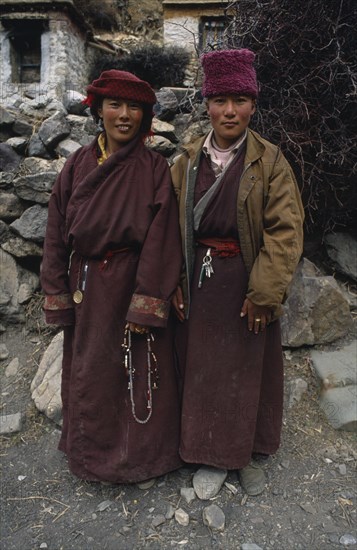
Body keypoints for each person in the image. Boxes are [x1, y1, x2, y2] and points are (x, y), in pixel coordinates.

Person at [171, 49, 304, 496]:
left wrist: (265, 295)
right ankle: (199, 448)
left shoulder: (269, 161)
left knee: (245, 371)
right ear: (207, 103)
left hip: (247, 285)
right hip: (201, 283)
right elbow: (168, 226)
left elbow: (284, 232)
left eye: (241, 100)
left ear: (253, 104)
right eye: (221, 99)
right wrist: (173, 281)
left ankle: (243, 452)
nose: (231, 111)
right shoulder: (188, 160)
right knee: (202, 368)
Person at [41, 70, 183, 484]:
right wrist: (57, 291)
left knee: (137, 370)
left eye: (134, 107)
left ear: (146, 115)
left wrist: (147, 299)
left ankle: (139, 461)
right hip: (85, 283)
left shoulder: (154, 168)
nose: (124, 115)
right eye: (115, 105)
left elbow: (163, 238)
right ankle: (90, 457)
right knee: (91, 372)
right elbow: (54, 233)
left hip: (131, 282)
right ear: (98, 109)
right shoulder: (76, 165)